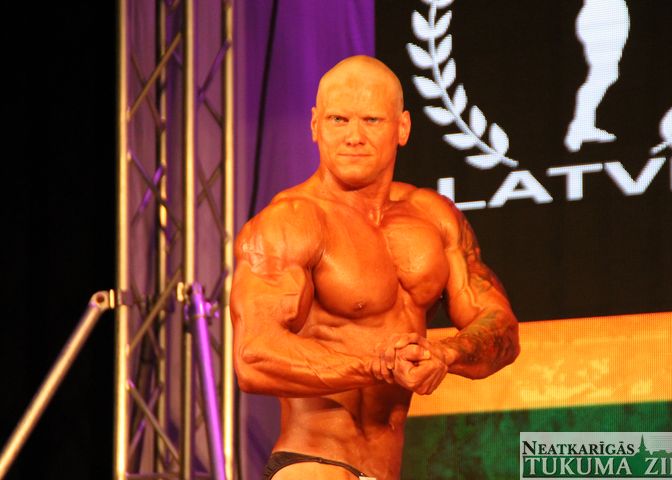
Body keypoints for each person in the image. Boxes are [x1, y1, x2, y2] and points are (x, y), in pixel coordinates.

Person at [230, 56, 520, 480]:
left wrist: (446, 353)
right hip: (313, 464)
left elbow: (501, 328)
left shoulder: (434, 218)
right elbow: (253, 356)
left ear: (402, 127)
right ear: (315, 125)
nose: (354, 137)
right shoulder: (290, 222)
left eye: (371, 120)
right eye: (338, 119)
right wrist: (377, 365)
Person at [565, 0, 630, 152]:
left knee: (606, 75)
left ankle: (583, 126)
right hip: (602, 18)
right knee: (602, 75)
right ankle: (579, 128)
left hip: (608, 17)